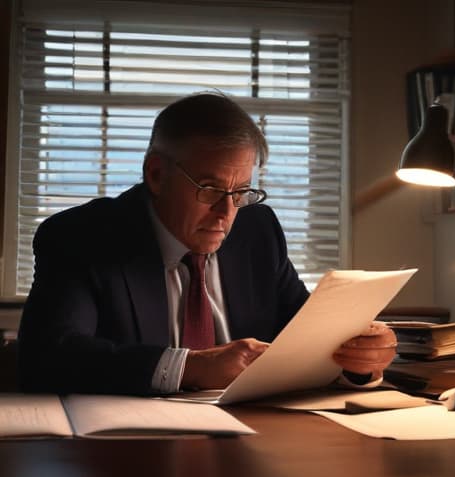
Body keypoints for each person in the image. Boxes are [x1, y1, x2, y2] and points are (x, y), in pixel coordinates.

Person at [17, 91, 397, 396]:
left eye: (242, 191)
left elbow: (306, 341)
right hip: (127, 457)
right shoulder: (82, 236)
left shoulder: (257, 231)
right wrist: (191, 367)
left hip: (255, 445)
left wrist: (356, 361)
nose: (226, 212)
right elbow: (49, 355)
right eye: (210, 189)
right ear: (155, 174)